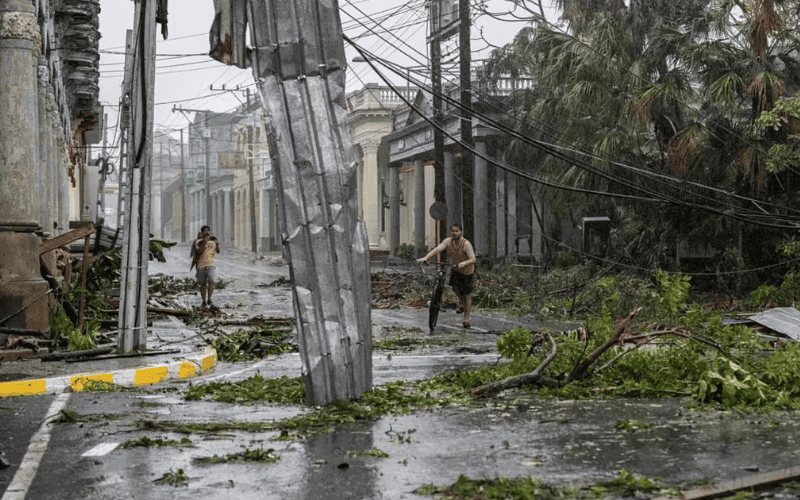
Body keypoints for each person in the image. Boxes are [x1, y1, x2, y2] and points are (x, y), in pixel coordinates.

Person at [417, 224, 477, 328]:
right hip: (455, 269)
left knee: (467, 295)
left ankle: (466, 318)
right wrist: (426, 258)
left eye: (457, 231)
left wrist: (464, 263)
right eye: (453, 231)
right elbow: (438, 249)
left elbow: (473, 259)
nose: (454, 233)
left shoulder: (465, 244)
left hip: (467, 272)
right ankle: (461, 303)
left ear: (461, 232)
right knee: (455, 287)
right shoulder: (448, 241)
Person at [194, 226, 220, 309]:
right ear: (202, 232)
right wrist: (204, 243)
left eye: (208, 231)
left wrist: (217, 245)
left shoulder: (213, 241)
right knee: (202, 284)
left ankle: (209, 299)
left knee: (211, 281)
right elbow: (199, 251)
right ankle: (203, 300)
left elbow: (218, 251)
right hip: (201, 266)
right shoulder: (198, 242)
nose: (207, 233)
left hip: (211, 265)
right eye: (205, 231)